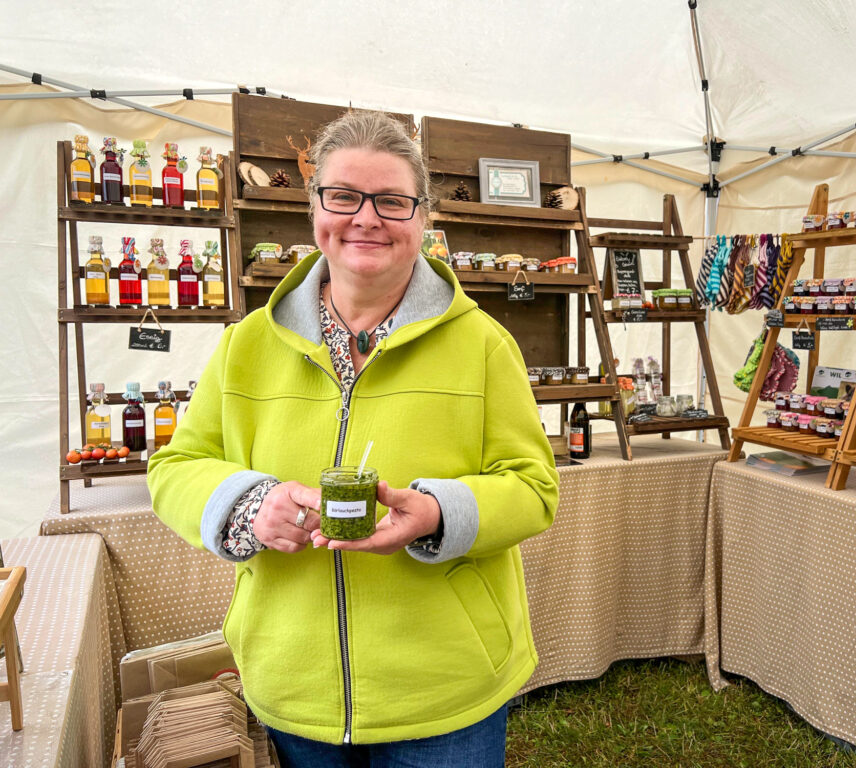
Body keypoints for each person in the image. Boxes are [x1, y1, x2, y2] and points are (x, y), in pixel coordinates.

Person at [148, 110, 559, 767]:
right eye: (343, 196)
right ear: (314, 207)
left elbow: (533, 488)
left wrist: (437, 512)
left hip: (442, 687)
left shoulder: (483, 345)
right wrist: (250, 505)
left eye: (391, 201)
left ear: (423, 218)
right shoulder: (246, 346)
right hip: (294, 681)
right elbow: (176, 467)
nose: (366, 219)